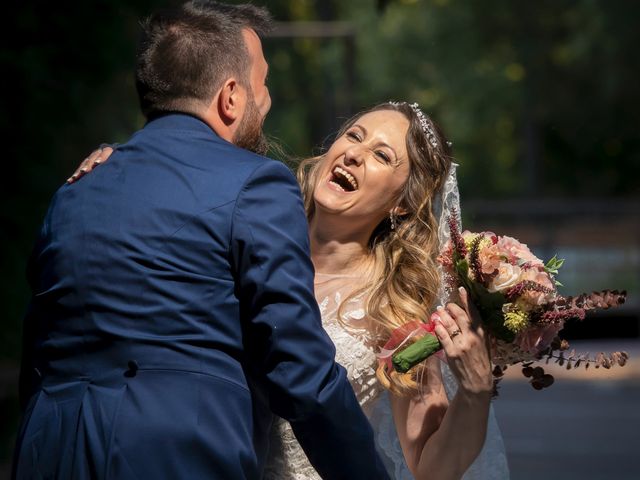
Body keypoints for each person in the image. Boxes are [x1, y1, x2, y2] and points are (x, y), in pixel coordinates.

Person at [12, 2, 392, 479]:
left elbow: (39, 349)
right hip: (175, 453)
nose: (267, 100)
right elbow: (300, 369)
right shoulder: (255, 183)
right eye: (263, 83)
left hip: (49, 449)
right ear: (230, 97)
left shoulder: (76, 188)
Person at [73, 102, 511, 479]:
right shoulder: (239, 232)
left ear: (401, 204)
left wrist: (472, 392)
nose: (354, 154)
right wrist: (123, 166)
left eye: (380, 155)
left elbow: (429, 466)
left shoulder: (395, 311)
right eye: (353, 135)